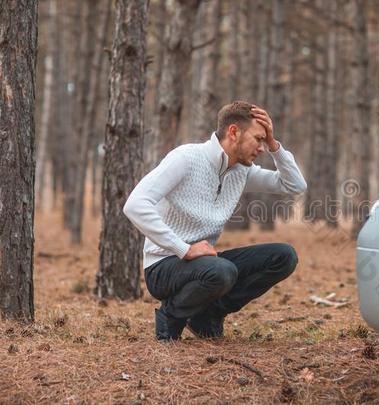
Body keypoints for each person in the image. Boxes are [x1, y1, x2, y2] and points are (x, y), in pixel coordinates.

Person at [123, 101, 307, 341]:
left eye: (264, 141)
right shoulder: (186, 158)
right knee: (222, 271)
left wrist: (275, 145)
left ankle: (206, 317)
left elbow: (294, 185)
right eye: (258, 139)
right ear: (234, 132)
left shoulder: (241, 171)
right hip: (163, 265)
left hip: (205, 264)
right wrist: (183, 249)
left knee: (284, 256)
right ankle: (171, 318)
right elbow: (135, 204)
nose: (261, 148)